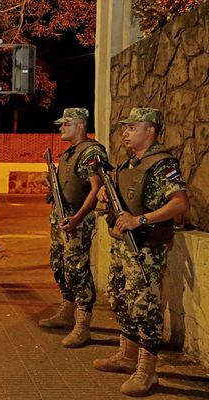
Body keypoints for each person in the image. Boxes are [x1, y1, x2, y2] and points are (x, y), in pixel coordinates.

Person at [93, 107, 190, 396]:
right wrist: (104, 196)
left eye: (132, 127)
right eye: (126, 127)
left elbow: (180, 203)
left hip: (146, 248)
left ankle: (147, 373)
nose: (125, 132)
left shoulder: (162, 164)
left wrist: (140, 220)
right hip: (124, 246)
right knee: (121, 298)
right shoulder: (128, 165)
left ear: (150, 130)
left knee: (144, 308)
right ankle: (126, 356)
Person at [39, 108, 107, 348]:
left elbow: (96, 188)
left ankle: (82, 324)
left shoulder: (92, 151)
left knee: (77, 269)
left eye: (65, 124)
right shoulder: (70, 152)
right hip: (61, 216)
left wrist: (78, 218)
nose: (61, 128)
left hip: (77, 218)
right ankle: (66, 311)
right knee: (59, 264)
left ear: (79, 125)